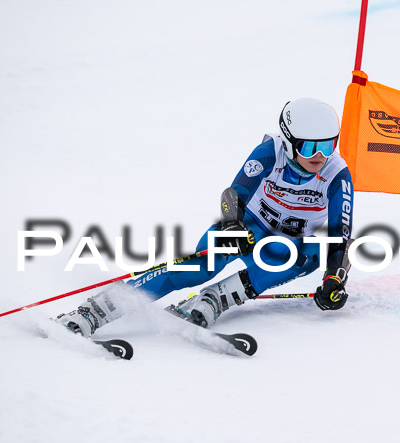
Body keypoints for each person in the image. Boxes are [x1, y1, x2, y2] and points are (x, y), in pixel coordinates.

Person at [55, 98, 354, 337]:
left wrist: (334, 279)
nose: (321, 155)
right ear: (289, 141)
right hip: (248, 228)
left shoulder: (336, 175)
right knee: (197, 268)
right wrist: (233, 226)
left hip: (281, 248)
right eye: (311, 146)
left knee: (313, 252)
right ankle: (95, 310)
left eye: (328, 145)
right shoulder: (270, 152)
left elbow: (341, 237)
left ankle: (215, 299)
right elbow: (232, 195)